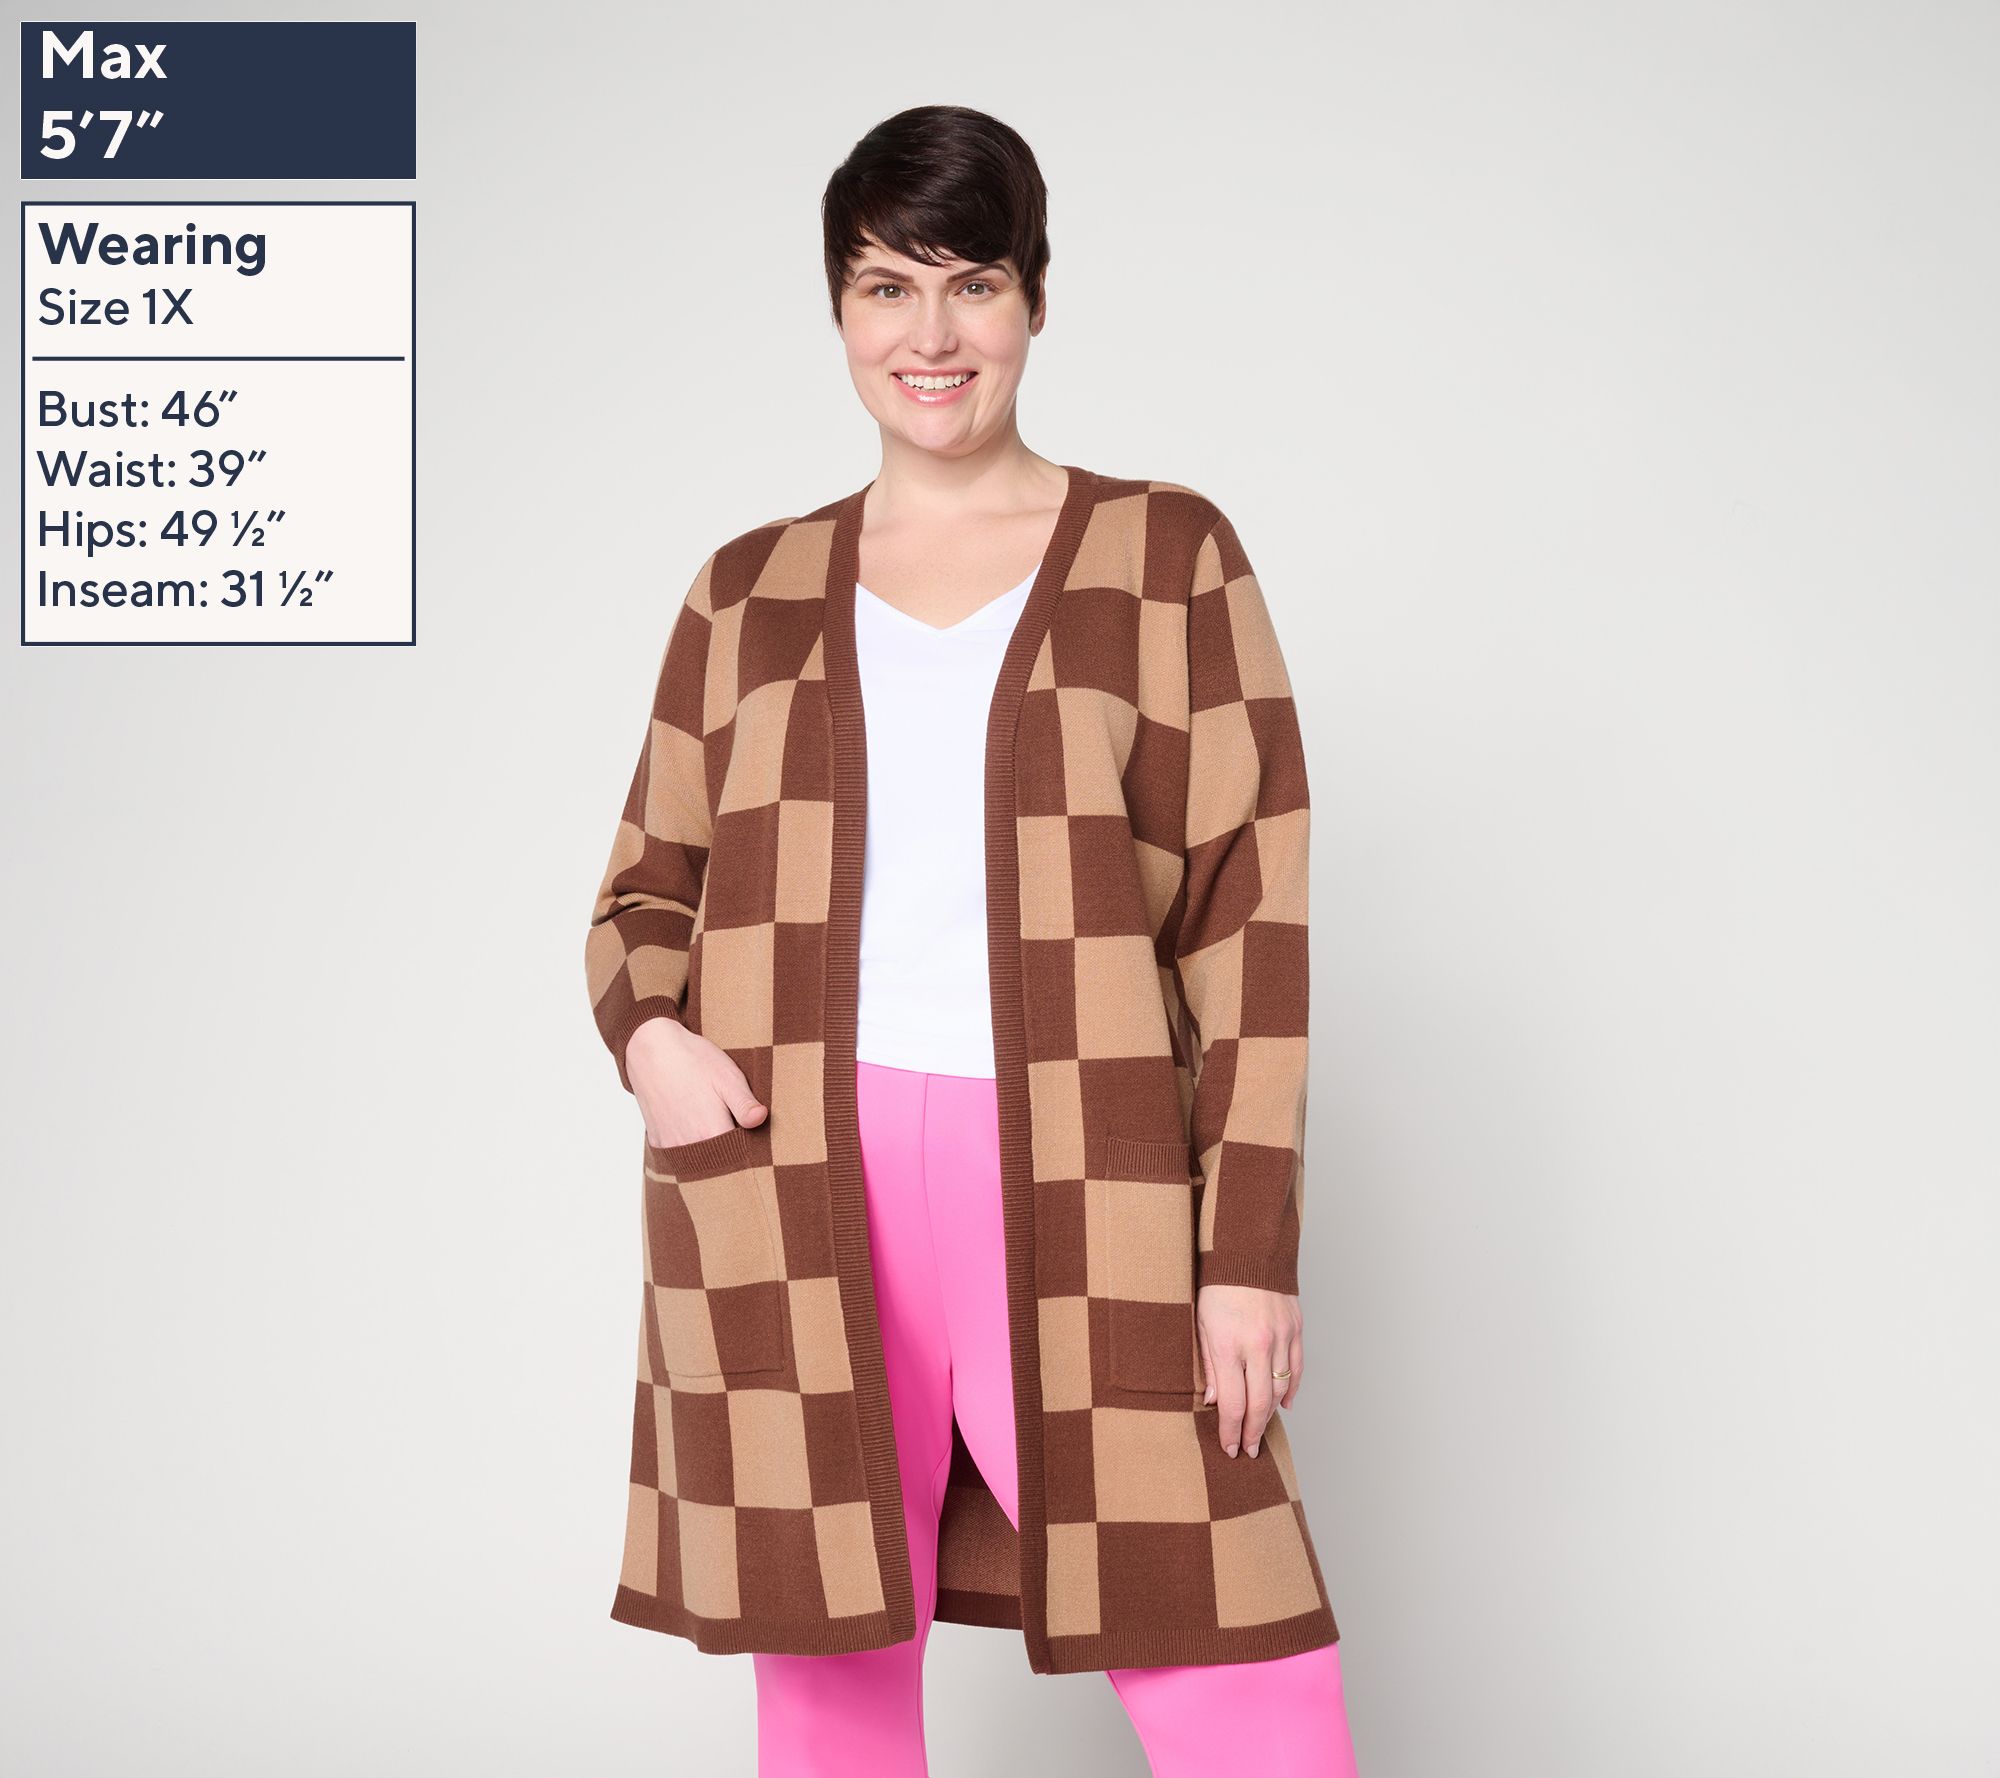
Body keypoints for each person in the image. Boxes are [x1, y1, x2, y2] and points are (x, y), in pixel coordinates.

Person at [585, 104, 1360, 1777]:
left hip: (1087, 1162)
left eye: (973, 283)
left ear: (1035, 299)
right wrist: (652, 1040)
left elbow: (1251, 914)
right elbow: (643, 892)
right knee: (831, 1677)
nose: (929, 335)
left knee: (1239, 1667)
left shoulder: (1165, 557)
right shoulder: (746, 593)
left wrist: (1247, 1248)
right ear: (838, 309)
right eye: (886, 287)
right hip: (794, 1164)